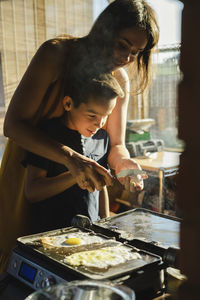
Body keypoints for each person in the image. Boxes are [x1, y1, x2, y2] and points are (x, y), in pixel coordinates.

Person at [0, 0, 159, 272]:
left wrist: (125, 164)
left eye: (137, 52)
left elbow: (116, 144)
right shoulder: (56, 54)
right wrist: (72, 160)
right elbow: (13, 126)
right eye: (122, 44)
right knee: (18, 260)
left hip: (74, 190)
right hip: (30, 167)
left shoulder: (120, 80)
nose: (127, 58)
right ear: (104, 29)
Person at [22, 71, 124, 234]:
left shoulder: (102, 138)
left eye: (106, 116)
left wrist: (105, 222)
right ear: (68, 103)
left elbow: (100, 184)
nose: (99, 123)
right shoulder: (46, 135)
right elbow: (32, 192)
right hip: (51, 235)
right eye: (92, 115)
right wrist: (76, 173)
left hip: (90, 233)